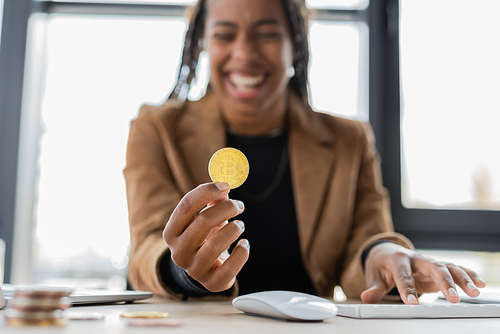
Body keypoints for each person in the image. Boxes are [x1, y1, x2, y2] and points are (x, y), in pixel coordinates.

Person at [123, 0, 485, 303]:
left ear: (295, 43)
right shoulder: (157, 129)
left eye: (266, 33)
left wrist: (383, 254)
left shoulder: (348, 139)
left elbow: (366, 238)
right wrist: (183, 270)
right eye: (224, 34)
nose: (245, 52)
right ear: (202, 43)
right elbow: (146, 246)